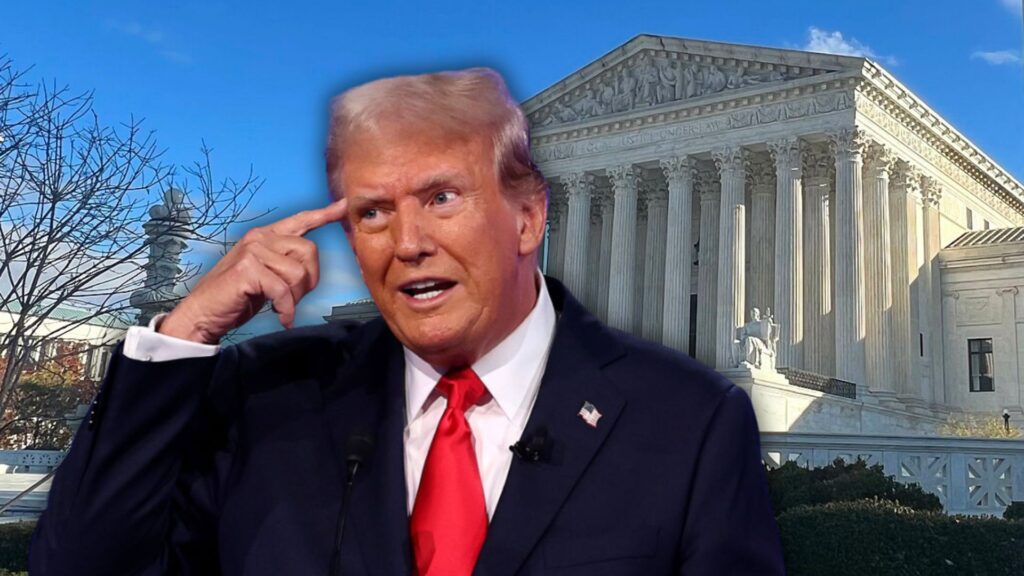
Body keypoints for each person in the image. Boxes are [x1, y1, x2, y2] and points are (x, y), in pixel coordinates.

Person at [29, 67, 785, 575]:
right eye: (372, 211)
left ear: (527, 218)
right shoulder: (270, 395)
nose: (408, 241)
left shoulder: (687, 422)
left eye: (442, 198)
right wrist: (184, 334)